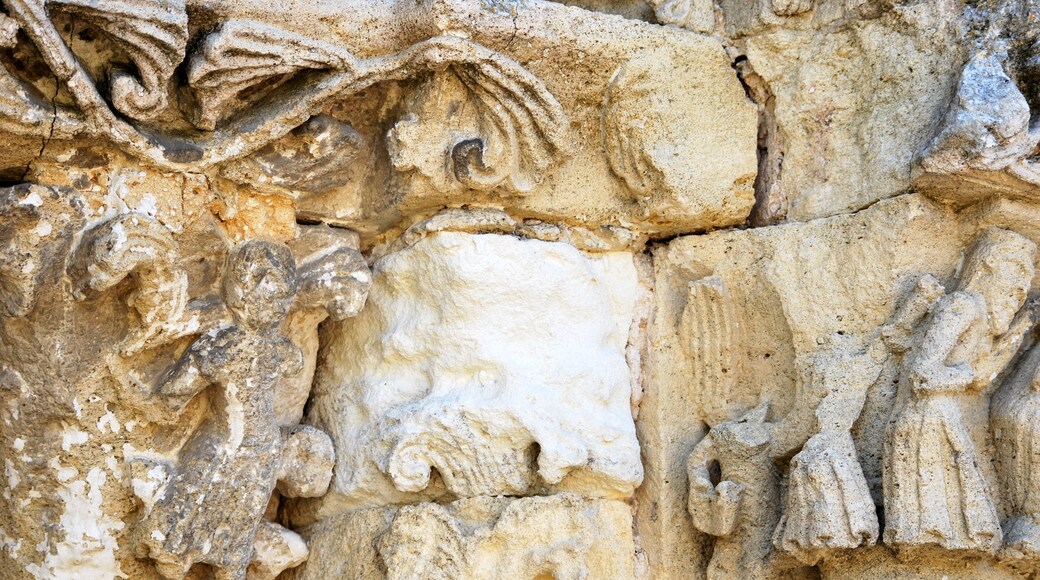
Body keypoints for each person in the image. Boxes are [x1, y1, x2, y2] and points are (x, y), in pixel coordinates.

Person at [134, 240, 303, 579]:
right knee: (234, 529)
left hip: (226, 448)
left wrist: (137, 393)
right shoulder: (283, 349)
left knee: (187, 519)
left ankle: (175, 558)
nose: (276, 304)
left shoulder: (221, 345)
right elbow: (294, 364)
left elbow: (173, 393)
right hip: (261, 450)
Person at [883, 227, 1037, 553]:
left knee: (956, 519)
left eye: (1030, 275)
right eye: (1019, 270)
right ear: (989, 265)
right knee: (933, 519)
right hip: (926, 418)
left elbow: (982, 378)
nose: (1022, 287)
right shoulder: (961, 306)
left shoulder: (981, 317)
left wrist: (1022, 328)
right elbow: (922, 376)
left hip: (943, 416)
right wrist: (966, 375)